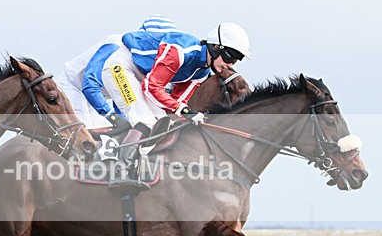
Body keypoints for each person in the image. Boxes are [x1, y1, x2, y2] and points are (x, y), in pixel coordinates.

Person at [71, 20, 251, 191]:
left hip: (142, 77)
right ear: (215, 46)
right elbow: (152, 88)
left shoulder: (201, 71)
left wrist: (188, 114)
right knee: (144, 120)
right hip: (121, 67)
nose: (229, 64)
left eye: (235, 61)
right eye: (229, 56)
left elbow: (176, 102)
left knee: (162, 122)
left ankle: (138, 163)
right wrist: (185, 111)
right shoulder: (181, 51)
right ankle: (121, 171)